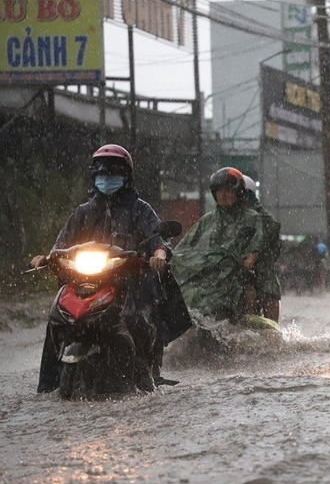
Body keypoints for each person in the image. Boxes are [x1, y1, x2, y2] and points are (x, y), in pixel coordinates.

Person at [30, 144, 182, 393]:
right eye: (101, 174)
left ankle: (146, 379)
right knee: (56, 319)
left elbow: (158, 237)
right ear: (94, 177)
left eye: (112, 174)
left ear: (126, 176)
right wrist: (45, 258)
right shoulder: (83, 212)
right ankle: (48, 386)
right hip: (84, 282)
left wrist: (158, 253)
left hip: (128, 282)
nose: (106, 179)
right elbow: (61, 243)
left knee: (134, 319)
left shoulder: (140, 209)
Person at [171, 167, 264, 322]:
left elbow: (257, 241)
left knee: (249, 292)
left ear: (238, 192)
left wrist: (251, 258)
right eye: (219, 191)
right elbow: (184, 247)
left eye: (227, 190)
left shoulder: (251, 218)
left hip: (235, 275)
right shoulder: (207, 220)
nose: (223, 194)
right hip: (206, 274)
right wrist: (170, 258)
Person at [241, 175, 282, 322]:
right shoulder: (222, 218)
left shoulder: (263, 218)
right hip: (236, 272)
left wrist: (255, 257)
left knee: (270, 296)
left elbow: (273, 247)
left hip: (263, 271)